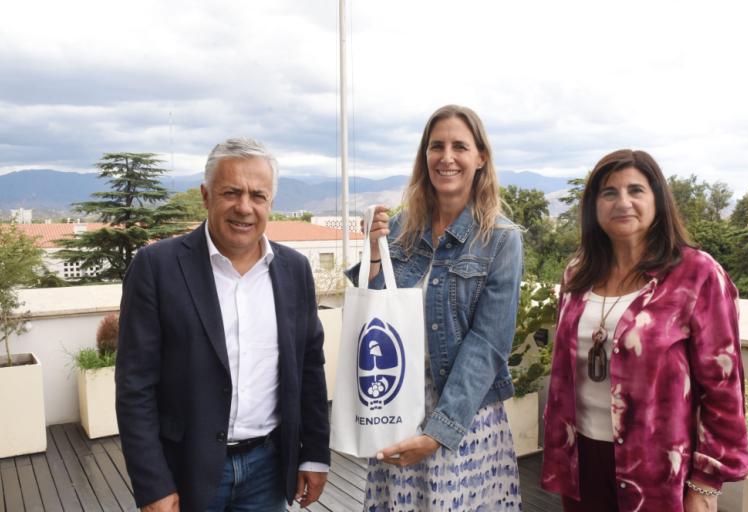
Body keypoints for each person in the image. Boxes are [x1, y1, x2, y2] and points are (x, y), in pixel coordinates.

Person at [116, 137, 330, 512]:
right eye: (231, 192)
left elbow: (309, 367)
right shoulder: (156, 267)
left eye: (257, 195)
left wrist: (313, 454)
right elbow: (135, 386)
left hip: (269, 470)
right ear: (206, 195)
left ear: (270, 203)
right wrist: (152, 485)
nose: (244, 207)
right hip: (185, 471)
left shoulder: (295, 270)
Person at [541, 149, 748, 512]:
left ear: (658, 201)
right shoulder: (578, 274)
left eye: (635, 190)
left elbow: (723, 387)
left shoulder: (697, 275)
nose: (623, 202)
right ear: (594, 207)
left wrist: (706, 483)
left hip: (658, 469)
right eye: (609, 193)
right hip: (581, 460)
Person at [349, 105, 524, 511]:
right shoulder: (400, 228)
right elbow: (376, 315)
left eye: (459, 146)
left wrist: (438, 432)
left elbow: (488, 343)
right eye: (436, 146)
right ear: (424, 155)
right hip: (396, 406)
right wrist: (373, 253)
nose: (447, 157)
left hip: (464, 414)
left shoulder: (501, 239)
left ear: (481, 158)